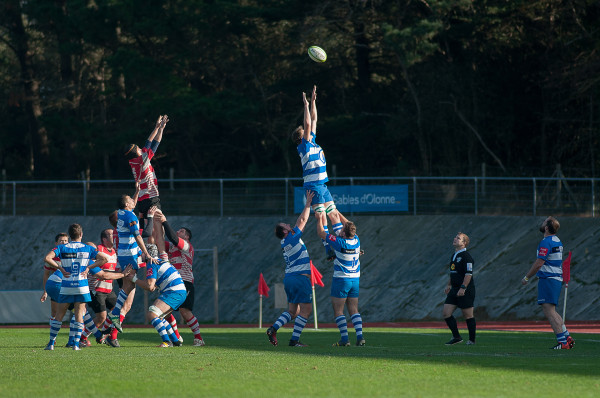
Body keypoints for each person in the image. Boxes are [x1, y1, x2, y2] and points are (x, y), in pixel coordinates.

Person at [292, 86, 344, 259]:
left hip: (322, 185)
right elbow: (307, 123)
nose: (308, 131)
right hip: (313, 186)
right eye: (304, 132)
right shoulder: (304, 146)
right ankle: (328, 247)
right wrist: (305, 105)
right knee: (321, 217)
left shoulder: (311, 141)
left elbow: (313, 120)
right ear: (301, 137)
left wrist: (313, 102)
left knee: (334, 214)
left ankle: (340, 241)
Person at [43, 224, 110, 351]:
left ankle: (51, 343)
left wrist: (60, 268)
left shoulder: (62, 247)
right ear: (81, 235)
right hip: (81, 286)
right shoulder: (87, 248)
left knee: (59, 315)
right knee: (80, 315)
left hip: (67, 284)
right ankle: (76, 345)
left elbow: (47, 258)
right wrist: (88, 268)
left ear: (69, 235)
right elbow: (104, 259)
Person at [266, 191, 315, 347]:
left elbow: (297, 222)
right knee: (306, 310)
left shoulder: (285, 241)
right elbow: (302, 220)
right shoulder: (292, 238)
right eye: (286, 225)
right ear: (286, 231)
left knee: (293, 311)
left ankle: (273, 328)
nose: (289, 224)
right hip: (300, 278)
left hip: (290, 278)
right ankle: (294, 340)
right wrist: (308, 202)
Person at [123, 231, 186, 348]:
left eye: (141, 253)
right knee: (159, 316)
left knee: (152, 314)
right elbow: (152, 287)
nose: (139, 256)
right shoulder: (159, 260)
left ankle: (167, 342)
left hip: (174, 291)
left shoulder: (152, 263)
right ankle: (175, 340)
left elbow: (150, 286)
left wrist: (134, 279)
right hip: (178, 291)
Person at [521, 216, 575, 350]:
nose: (542, 222)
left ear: (546, 227)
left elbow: (539, 262)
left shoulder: (546, 242)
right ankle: (566, 337)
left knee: (549, 311)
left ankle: (562, 342)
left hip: (548, 279)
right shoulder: (557, 240)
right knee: (552, 310)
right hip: (555, 278)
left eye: (544, 221)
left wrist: (527, 277)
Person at [106, 194, 157, 333]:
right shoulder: (130, 216)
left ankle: (114, 316)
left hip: (122, 254)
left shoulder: (120, 213)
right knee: (130, 285)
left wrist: (137, 191)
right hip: (129, 254)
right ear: (127, 204)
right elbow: (139, 235)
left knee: (128, 285)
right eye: (130, 200)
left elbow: (131, 205)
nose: (133, 201)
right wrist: (146, 253)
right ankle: (114, 313)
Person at [156, 209, 205, 346]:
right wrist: (155, 222)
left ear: (187, 237)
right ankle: (176, 337)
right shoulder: (171, 247)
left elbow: (172, 237)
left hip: (185, 282)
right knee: (164, 311)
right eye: (178, 230)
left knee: (185, 311)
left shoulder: (187, 246)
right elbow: (158, 241)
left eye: (181, 231)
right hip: (171, 282)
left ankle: (199, 338)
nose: (178, 232)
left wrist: (164, 221)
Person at [315, 210, 364, 347]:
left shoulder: (340, 242)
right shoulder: (356, 240)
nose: (340, 230)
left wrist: (320, 218)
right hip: (355, 279)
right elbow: (348, 225)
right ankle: (360, 337)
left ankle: (344, 339)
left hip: (341, 280)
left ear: (343, 233)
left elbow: (321, 233)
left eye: (342, 229)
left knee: (338, 311)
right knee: (354, 309)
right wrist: (336, 212)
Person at [123, 114, 168, 243]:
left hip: (142, 198)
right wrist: (161, 129)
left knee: (146, 227)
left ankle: (145, 252)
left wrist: (157, 127)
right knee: (157, 227)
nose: (139, 147)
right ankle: (158, 253)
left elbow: (147, 143)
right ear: (136, 151)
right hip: (151, 195)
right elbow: (154, 144)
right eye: (137, 147)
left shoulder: (133, 161)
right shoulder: (143, 159)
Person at [442, 232, 477, 345]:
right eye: (455, 237)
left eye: (458, 238)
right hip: (454, 289)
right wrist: (449, 285)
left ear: (464, 243)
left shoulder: (466, 256)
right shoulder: (454, 255)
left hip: (465, 290)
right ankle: (456, 337)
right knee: (446, 313)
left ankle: (472, 340)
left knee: (468, 315)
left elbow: (468, 274)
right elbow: (453, 272)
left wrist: (463, 287)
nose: (455, 239)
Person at [40, 232, 69, 322]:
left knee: (79, 310)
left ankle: (79, 333)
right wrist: (45, 292)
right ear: (56, 243)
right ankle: (53, 333)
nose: (64, 243)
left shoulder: (73, 253)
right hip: (57, 286)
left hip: (71, 285)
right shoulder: (51, 257)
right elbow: (46, 274)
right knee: (54, 312)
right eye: (61, 241)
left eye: (66, 241)